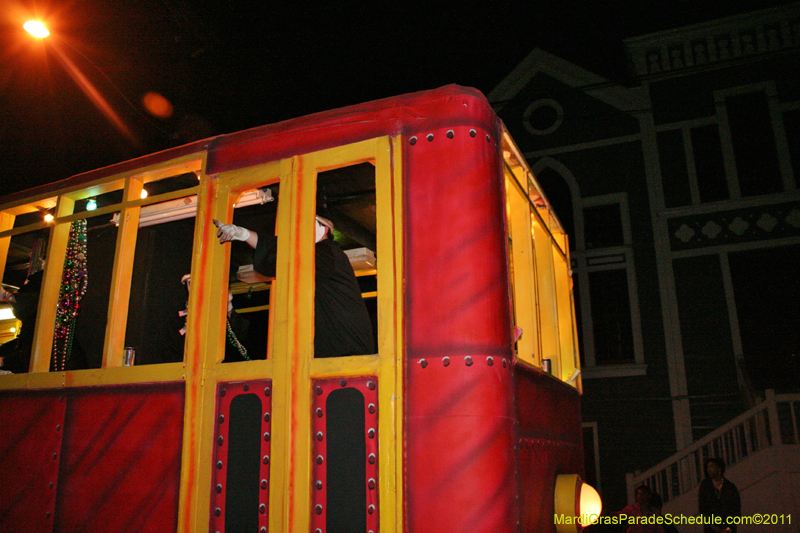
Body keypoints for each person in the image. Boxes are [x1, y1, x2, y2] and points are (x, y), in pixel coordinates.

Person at [214, 216, 375, 358]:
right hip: (333, 355)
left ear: (324, 229)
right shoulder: (316, 265)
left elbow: (286, 254)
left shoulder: (327, 253)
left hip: (344, 357)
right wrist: (244, 234)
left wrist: (246, 235)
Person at [698, 458, 740, 533]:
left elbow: (736, 510)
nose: (709, 470)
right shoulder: (705, 486)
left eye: (711, 466)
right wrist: (713, 526)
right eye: (707, 467)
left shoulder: (730, 487)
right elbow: (703, 508)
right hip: (711, 529)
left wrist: (727, 529)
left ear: (719, 468)